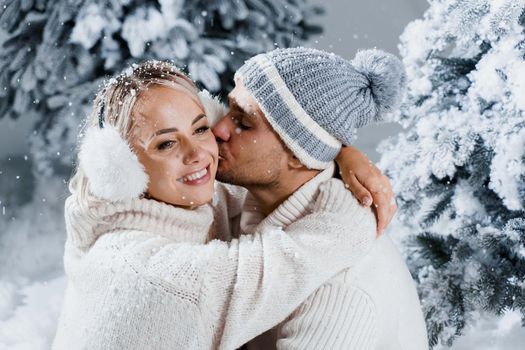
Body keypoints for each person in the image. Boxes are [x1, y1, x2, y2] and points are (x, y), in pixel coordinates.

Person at [52, 60, 391, 350]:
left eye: (200, 128)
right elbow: (277, 266)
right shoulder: (146, 272)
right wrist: (356, 208)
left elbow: (276, 180)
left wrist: (336, 152)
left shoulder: (177, 205)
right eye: (166, 143)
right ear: (119, 165)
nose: (199, 152)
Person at [211, 47, 429, 349]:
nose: (218, 129)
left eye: (244, 123)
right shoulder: (255, 201)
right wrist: (342, 152)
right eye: (229, 108)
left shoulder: (339, 291)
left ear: (299, 157)